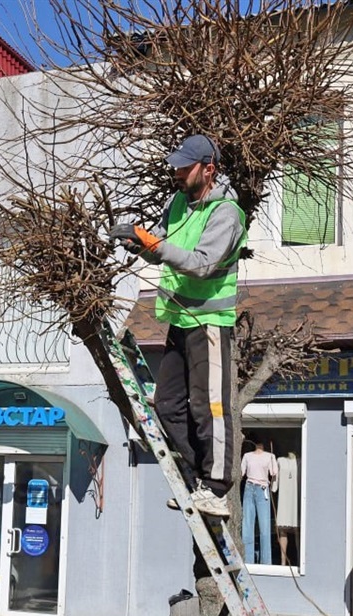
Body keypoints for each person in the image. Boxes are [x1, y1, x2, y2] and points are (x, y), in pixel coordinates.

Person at [109, 134, 247, 518]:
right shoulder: (177, 204)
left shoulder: (227, 213)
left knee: (209, 406)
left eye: (186, 167)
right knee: (168, 405)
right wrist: (140, 245)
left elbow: (201, 263)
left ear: (209, 169)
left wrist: (153, 245)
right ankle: (202, 477)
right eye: (177, 167)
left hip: (209, 321)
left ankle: (217, 488)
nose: (178, 173)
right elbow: (164, 250)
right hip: (181, 318)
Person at [240, 440, 277, 563]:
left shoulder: (270, 456)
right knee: (247, 524)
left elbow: (274, 473)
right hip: (249, 488)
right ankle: (248, 561)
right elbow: (241, 473)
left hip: (262, 489)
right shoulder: (247, 456)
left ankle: (266, 562)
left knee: (264, 526)